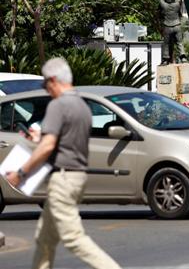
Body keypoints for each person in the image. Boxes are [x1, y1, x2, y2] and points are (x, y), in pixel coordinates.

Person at [5, 58, 121, 269]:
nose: (46, 90)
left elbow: (49, 146)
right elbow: (65, 142)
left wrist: (21, 173)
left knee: (73, 239)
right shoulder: (82, 106)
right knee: (45, 238)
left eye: (45, 85)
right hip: (76, 176)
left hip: (63, 179)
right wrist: (39, 139)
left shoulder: (58, 105)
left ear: (53, 80)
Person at [159, 0, 187, 65]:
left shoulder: (164, 5)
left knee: (166, 43)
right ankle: (183, 57)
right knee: (179, 42)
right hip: (177, 25)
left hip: (167, 26)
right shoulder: (177, 5)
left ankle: (165, 59)